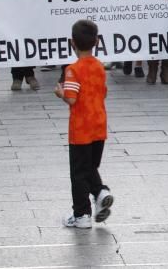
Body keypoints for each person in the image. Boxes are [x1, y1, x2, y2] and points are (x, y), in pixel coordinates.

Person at [54, 19, 114, 229]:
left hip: (80, 128)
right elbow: (103, 92)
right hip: (99, 125)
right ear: (96, 41)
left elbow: (71, 98)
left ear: (72, 43)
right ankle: (100, 193)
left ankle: (82, 214)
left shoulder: (73, 69)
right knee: (90, 166)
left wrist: (60, 92)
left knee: (78, 172)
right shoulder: (99, 66)